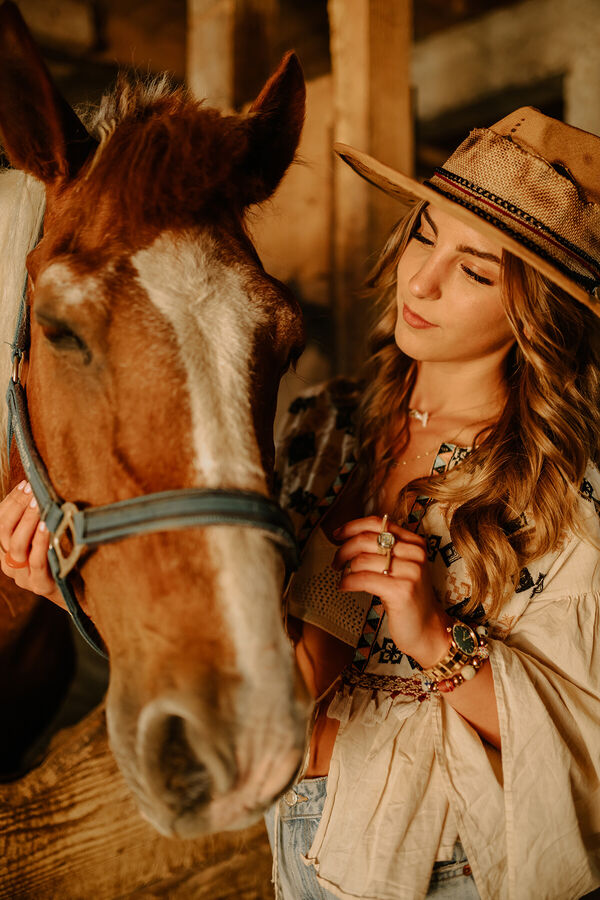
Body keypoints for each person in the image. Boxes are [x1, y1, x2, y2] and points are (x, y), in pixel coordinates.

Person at [2, 107, 600, 899]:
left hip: (450, 863)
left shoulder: (563, 488)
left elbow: (583, 752)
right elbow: (282, 677)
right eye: (424, 236)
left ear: (535, 311)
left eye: (476, 272)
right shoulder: (327, 425)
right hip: (304, 847)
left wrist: (434, 639)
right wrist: (75, 593)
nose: (422, 280)